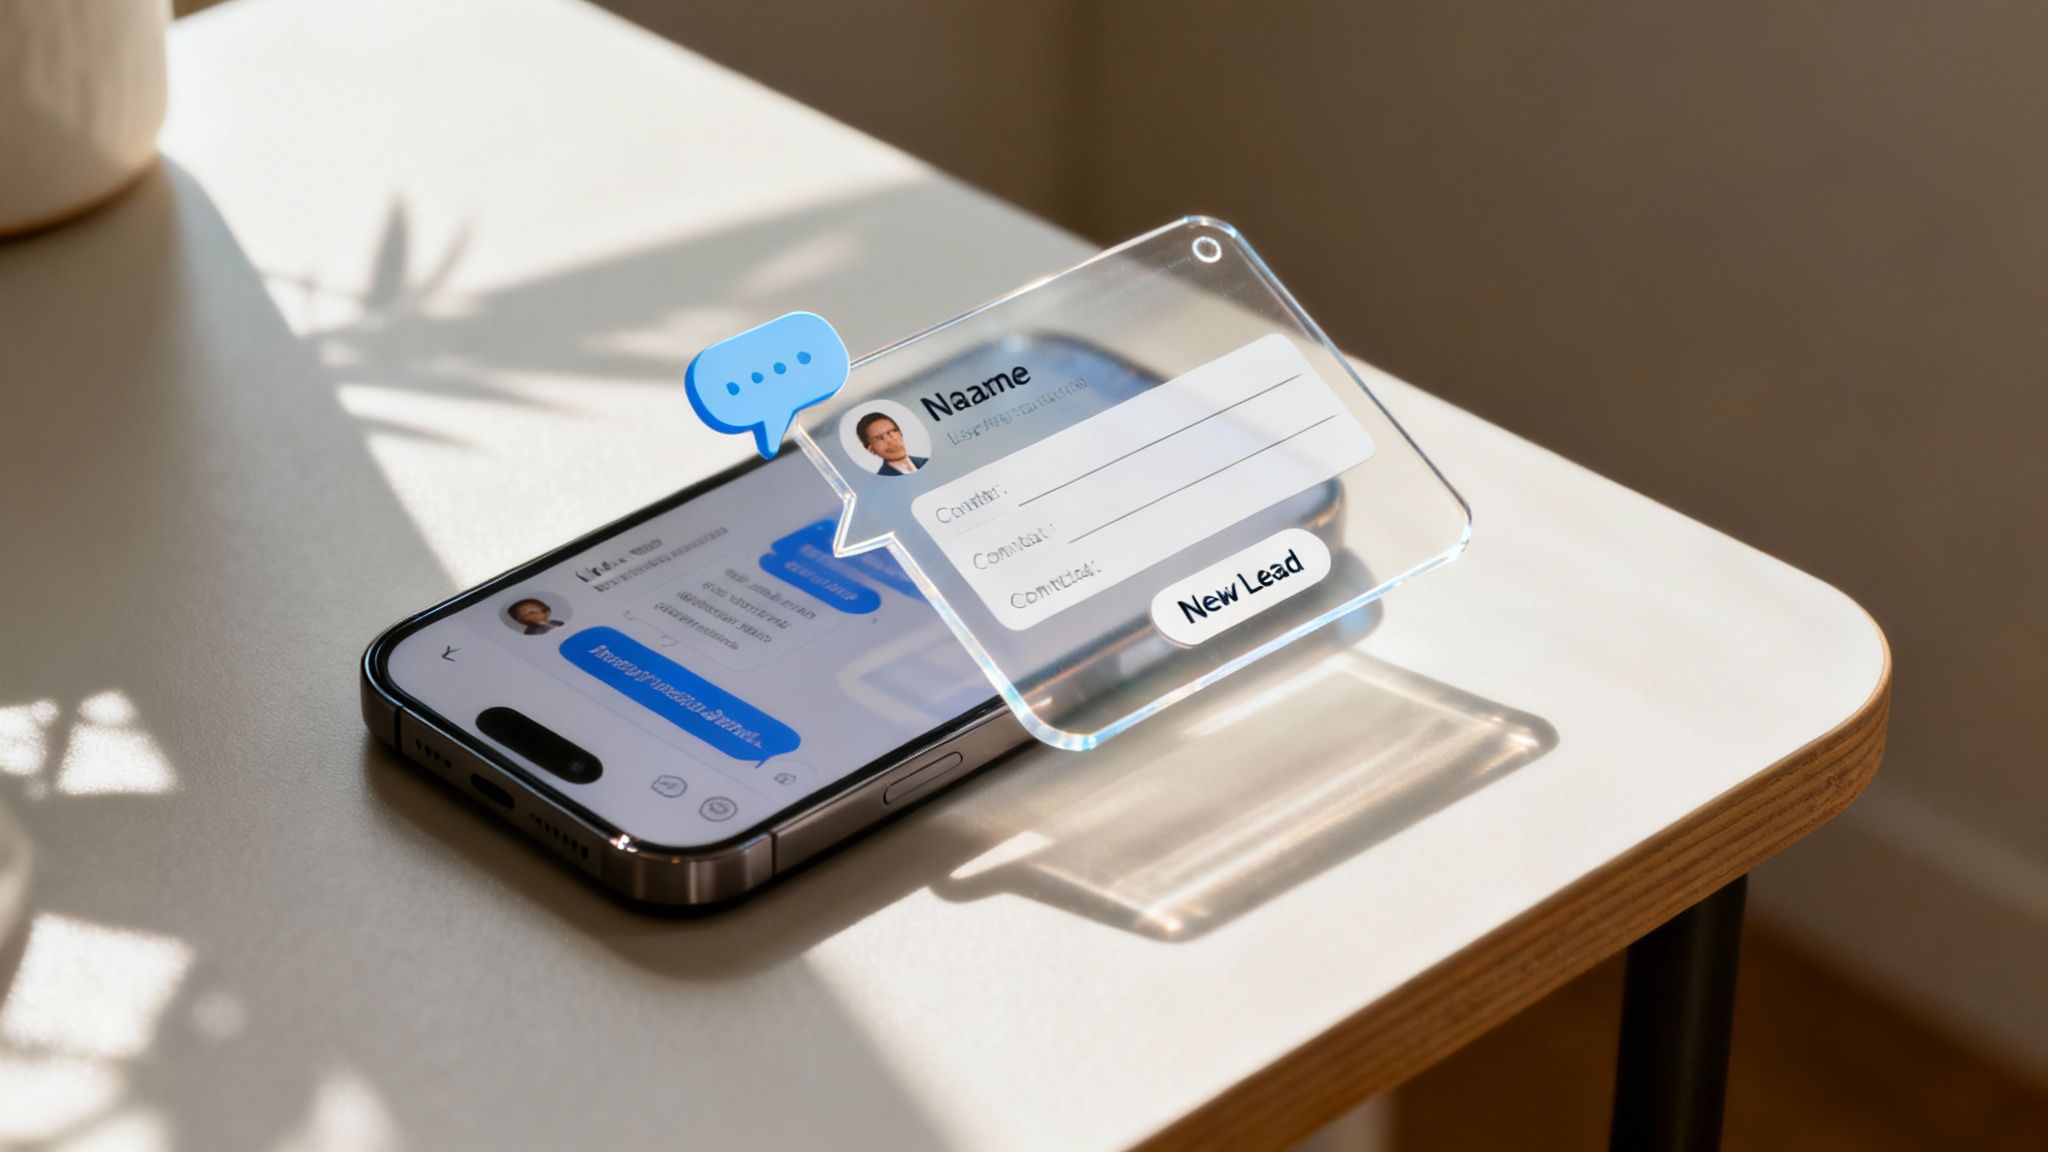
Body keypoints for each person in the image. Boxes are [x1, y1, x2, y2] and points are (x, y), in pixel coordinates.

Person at [857, 411, 927, 476]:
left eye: (892, 431)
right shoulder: (883, 482)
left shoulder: (927, 462)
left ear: (900, 434)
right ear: (871, 449)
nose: (890, 441)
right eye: (879, 438)